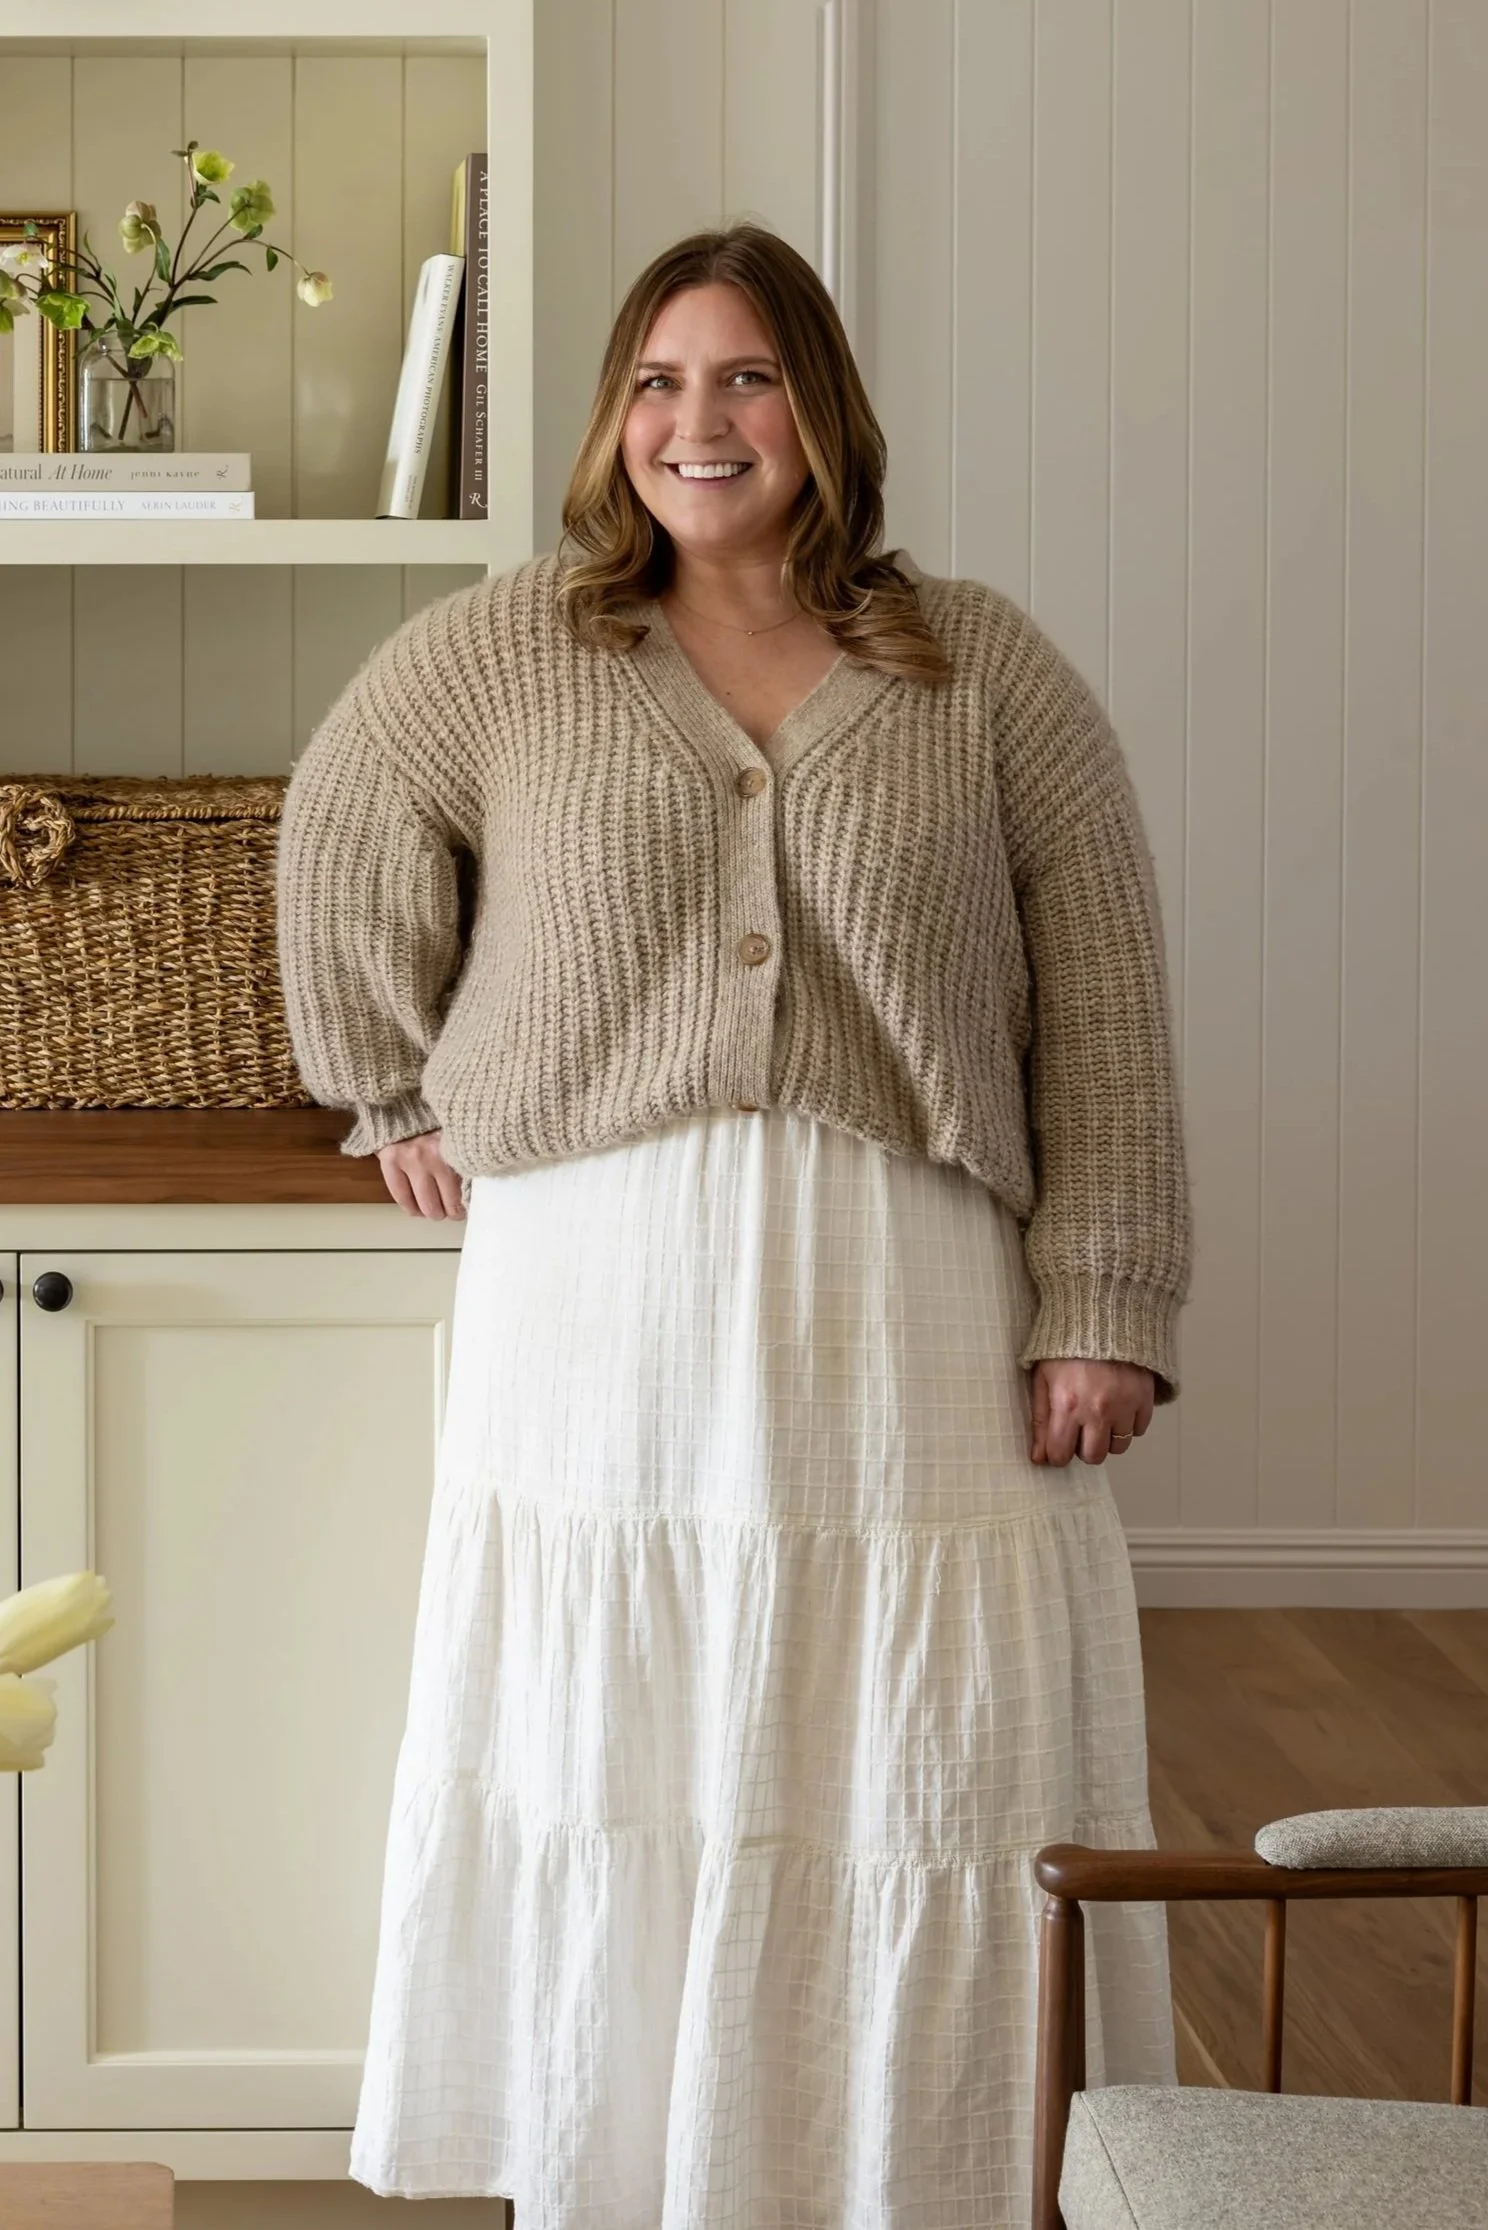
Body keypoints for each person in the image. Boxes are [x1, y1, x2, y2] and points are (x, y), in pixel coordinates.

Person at [276, 220, 1191, 2230]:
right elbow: (343, 815)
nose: (704, 422)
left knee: (918, 1748)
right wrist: (390, 1081)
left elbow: (1106, 990)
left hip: (906, 1300)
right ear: (620, 420)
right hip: (599, 1306)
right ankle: (628, 2166)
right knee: (629, 1740)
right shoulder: (523, 642)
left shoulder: (978, 663)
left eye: (750, 377)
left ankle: (919, 2169)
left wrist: (1104, 1297)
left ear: (823, 412)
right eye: (663, 382)